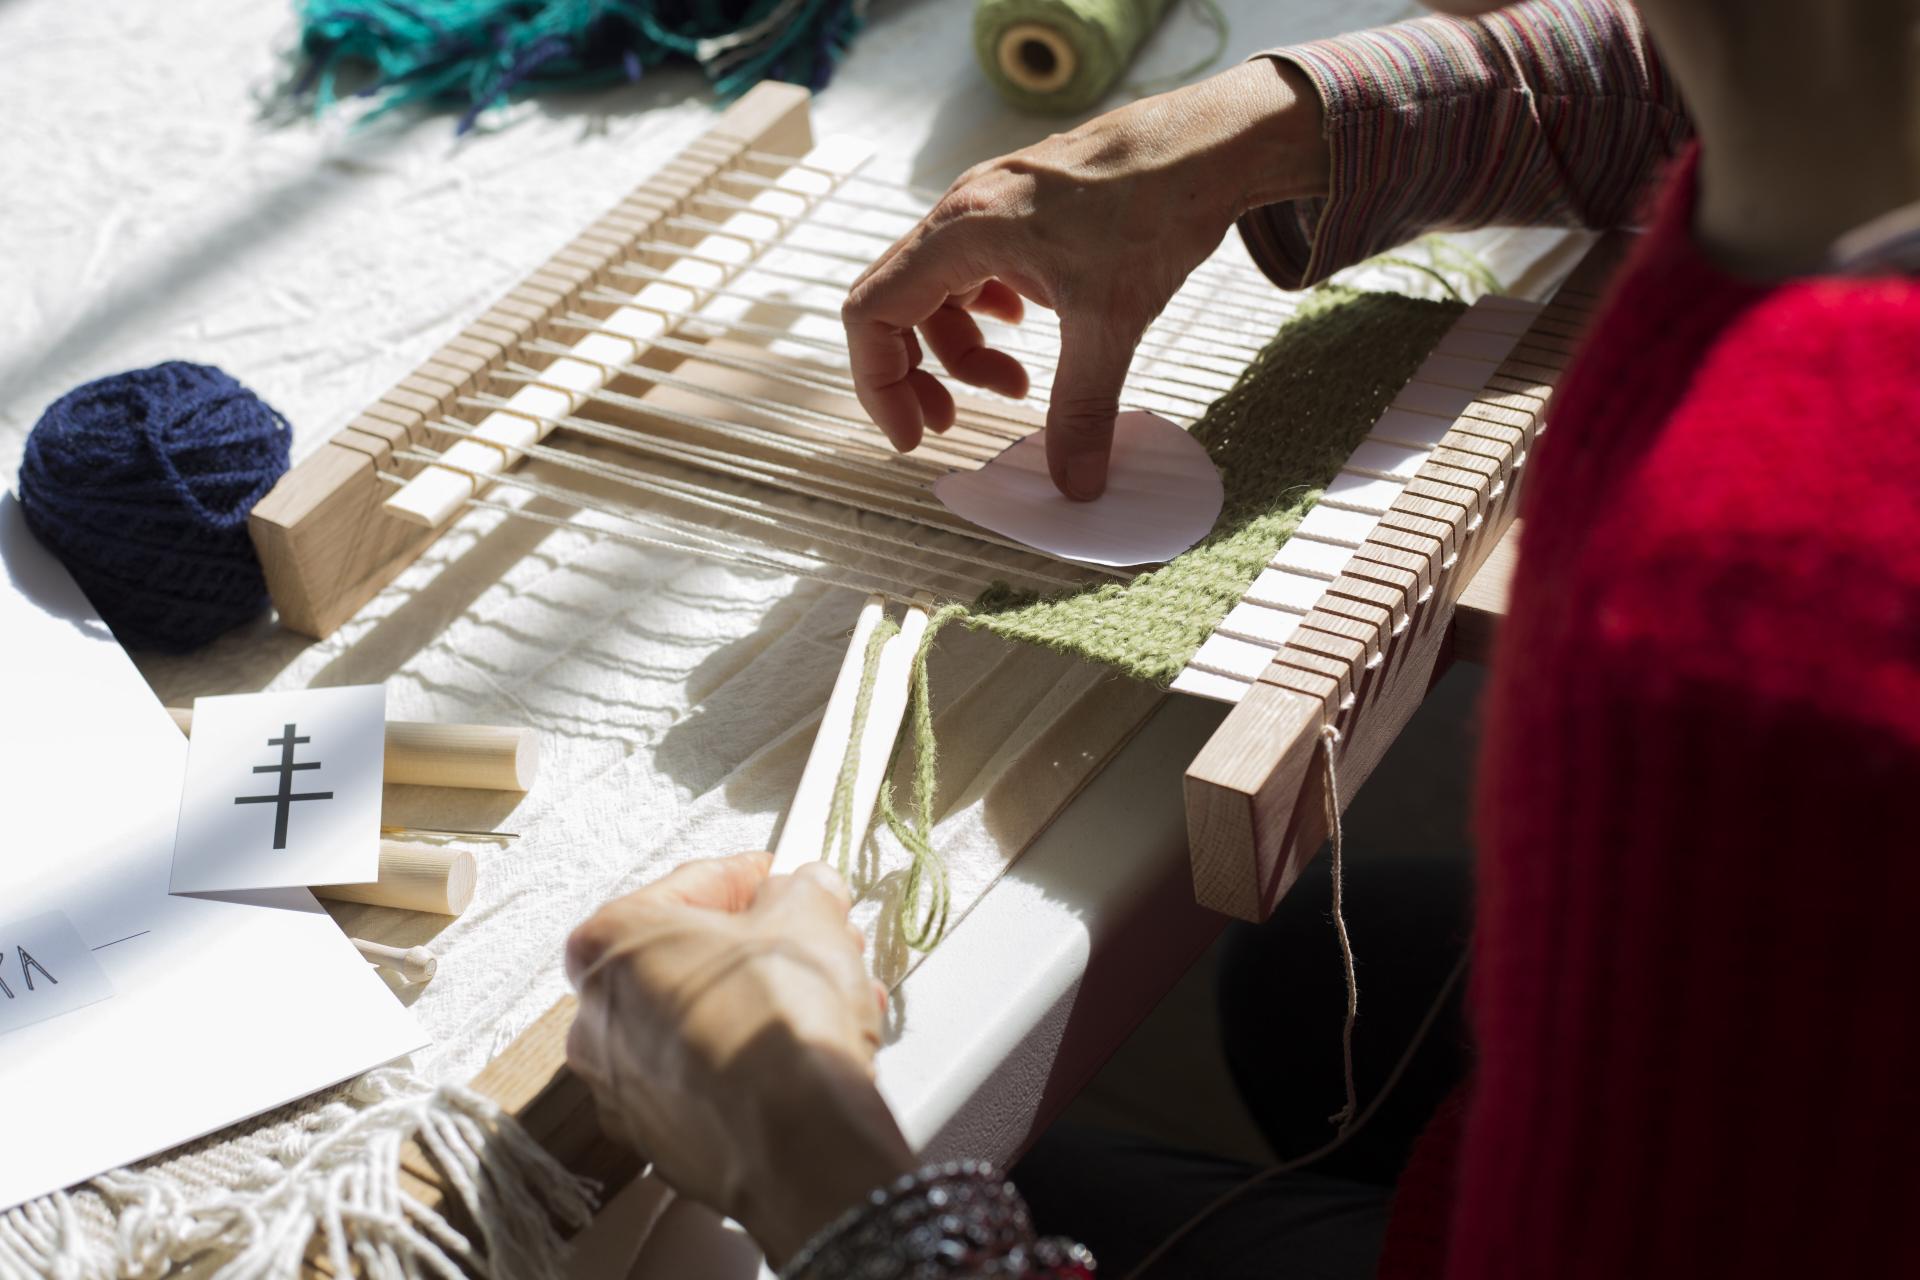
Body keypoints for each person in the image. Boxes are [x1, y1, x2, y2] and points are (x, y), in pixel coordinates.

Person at [563, 0, 1920, 1274]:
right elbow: (1730, 75)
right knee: (1287, 992)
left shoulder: (1782, 642)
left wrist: (816, 1167)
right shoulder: (1841, 123)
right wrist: (1279, 121)